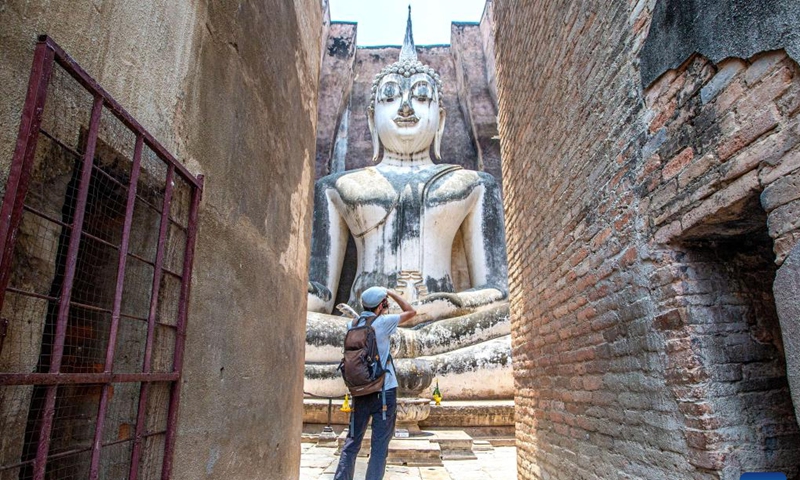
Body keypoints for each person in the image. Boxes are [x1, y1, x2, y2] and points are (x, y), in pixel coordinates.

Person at [307, 9, 508, 326]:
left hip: (444, 326)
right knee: (304, 329)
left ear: (440, 118)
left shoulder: (473, 185)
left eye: (421, 95)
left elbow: (498, 289)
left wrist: (448, 304)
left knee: (509, 325)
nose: (404, 107)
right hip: (362, 327)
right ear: (372, 119)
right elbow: (319, 296)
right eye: (390, 96)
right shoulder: (337, 188)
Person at [334, 286, 416, 480]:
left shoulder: (351, 324)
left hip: (360, 389)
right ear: (382, 305)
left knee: (352, 442)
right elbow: (411, 311)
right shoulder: (384, 322)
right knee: (379, 447)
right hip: (383, 390)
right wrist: (392, 293)